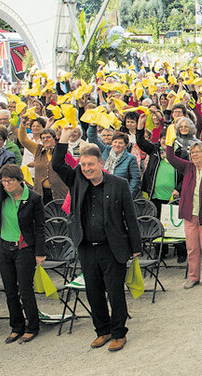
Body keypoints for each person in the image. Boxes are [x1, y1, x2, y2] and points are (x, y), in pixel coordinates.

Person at [51, 128, 142, 352]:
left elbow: (130, 217)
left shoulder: (118, 184)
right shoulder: (77, 181)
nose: (87, 168)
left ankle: (119, 333)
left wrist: (136, 246)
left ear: (101, 163)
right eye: (83, 165)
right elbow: (57, 164)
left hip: (112, 247)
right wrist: (64, 137)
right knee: (93, 292)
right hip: (86, 247)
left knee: (115, 292)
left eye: (90, 164)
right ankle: (103, 330)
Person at [0, 165, 46, 344]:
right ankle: (16, 326)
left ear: (20, 180)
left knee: (25, 290)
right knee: (10, 290)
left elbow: (40, 226)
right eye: (4, 181)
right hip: (4, 247)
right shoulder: (1, 192)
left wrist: (40, 252)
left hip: (24, 248)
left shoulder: (33, 198)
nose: (6, 184)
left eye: (10, 181)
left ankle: (32, 326)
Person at [165, 140, 202, 290]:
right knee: (191, 248)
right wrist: (170, 141)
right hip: (190, 215)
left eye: (197, 152)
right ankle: (193, 277)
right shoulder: (187, 167)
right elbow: (170, 158)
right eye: (192, 153)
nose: (194, 155)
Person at [87, 124, 141, 197]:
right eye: (115, 142)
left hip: (120, 193)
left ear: (125, 145)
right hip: (102, 190)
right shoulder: (105, 150)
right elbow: (93, 139)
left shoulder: (130, 158)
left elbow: (135, 179)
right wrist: (92, 126)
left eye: (120, 143)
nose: (117, 145)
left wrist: (129, 195)